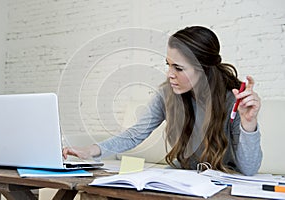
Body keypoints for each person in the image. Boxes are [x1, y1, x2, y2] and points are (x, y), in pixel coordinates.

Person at [63, 26, 262, 176]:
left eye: (178, 68)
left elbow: (250, 169)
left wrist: (248, 124)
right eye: (168, 65)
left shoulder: (233, 100)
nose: (169, 75)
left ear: (203, 69)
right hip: (182, 176)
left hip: (222, 180)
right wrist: (90, 150)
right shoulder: (167, 94)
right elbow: (135, 134)